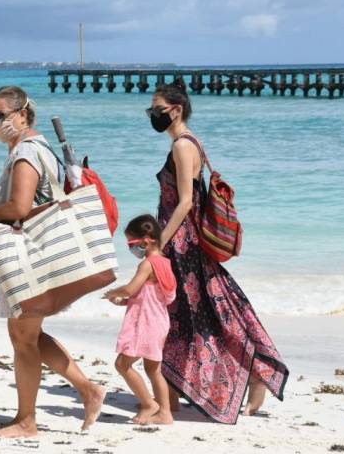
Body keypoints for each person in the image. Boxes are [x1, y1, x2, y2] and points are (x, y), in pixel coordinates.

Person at [0, 85, 107, 438]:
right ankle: (85, 391)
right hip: (36, 255)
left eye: (1, 115)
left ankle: (31, 419)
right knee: (24, 334)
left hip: (31, 258)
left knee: (24, 335)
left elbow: (20, 208)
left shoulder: (27, 152)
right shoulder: (35, 147)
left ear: (23, 115)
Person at [148, 79, 289, 424]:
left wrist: (160, 243)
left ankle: (257, 373)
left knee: (196, 315)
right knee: (203, 312)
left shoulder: (183, 146)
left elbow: (183, 203)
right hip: (188, 244)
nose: (152, 115)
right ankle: (178, 387)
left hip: (182, 245)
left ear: (176, 110)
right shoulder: (188, 142)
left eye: (157, 110)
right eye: (150, 110)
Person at [104, 214, 176, 425]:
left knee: (122, 364)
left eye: (132, 243)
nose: (131, 247)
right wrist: (126, 302)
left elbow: (130, 288)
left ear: (147, 239)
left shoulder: (147, 264)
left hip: (145, 324)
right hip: (159, 321)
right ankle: (165, 413)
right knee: (154, 370)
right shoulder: (165, 263)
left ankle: (148, 404)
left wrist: (112, 292)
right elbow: (155, 296)